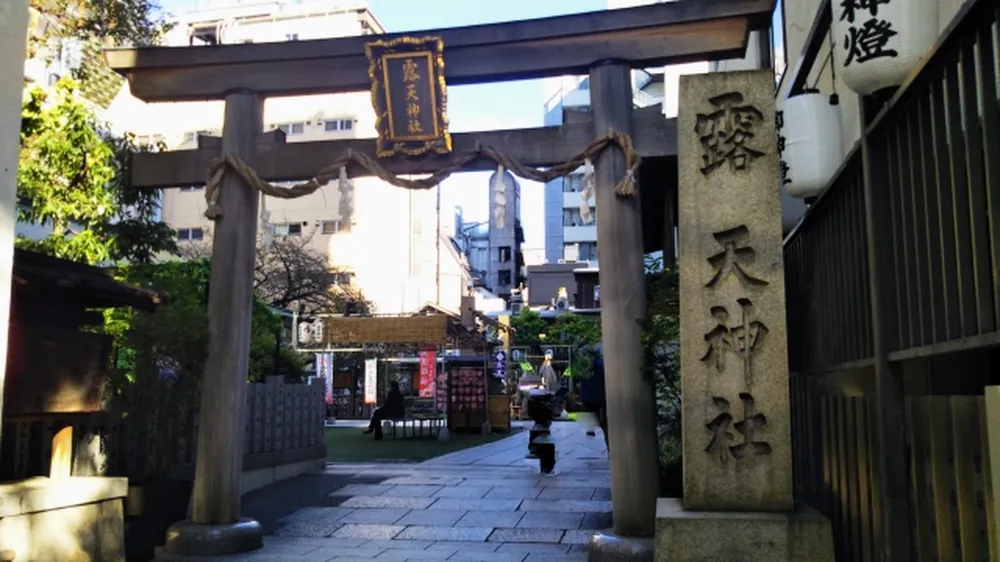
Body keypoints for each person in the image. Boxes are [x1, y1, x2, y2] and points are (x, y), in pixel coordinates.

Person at [580, 344, 609, 451]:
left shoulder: (583, 366)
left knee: (589, 411)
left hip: (587, 395)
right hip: (599, 394)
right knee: (602, 418)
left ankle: (590, 428)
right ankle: (601, 429)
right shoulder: (600, 365)